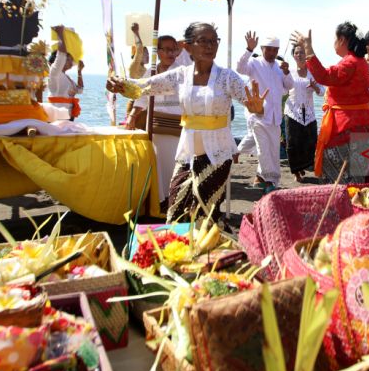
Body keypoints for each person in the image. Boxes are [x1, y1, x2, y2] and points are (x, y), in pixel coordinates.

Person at [106, 22, 268, 223]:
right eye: (203, 41)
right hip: (187, 154)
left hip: (217, 155)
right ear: (189, 47)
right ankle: (180, 250)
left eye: (213, 41)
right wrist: (120, 85)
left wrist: (257, 107)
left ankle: (204, 250)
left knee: (205, 215)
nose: (209, 46)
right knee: (175, 211)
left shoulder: (228, 78)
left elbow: (254, 105)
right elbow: (144, 86)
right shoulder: (180, 76)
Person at [290, 21, 369, 184]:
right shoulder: (358, 62)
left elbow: (324, 76)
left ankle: (342, 208)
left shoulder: (350, 62)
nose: (334, 43)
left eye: (335, 39)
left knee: (341, 180)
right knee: (355, 179)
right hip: (359, 125)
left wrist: (309, 49)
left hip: (346, 127)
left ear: (343, 40)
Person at [125, 35, 182, 208]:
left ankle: (176, 201)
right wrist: (132, 117)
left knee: (176, 166)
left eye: (174, 49)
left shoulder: (181, 72)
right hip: (155, 126)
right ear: (159, 51)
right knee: (157, 165)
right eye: (167, 49)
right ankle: (159, 203)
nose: (171, 53)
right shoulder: (151, 72)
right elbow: (142, 98)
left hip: (177, 128)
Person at [236, 32, 294, 194]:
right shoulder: (254, 63)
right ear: (262, 49)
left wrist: (287, 72)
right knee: (262, 149)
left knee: (273, 149)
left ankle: (261, 177)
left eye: (275, 50)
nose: (272, 53)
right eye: (269, 49)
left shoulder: (279, 66)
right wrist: (248, 49)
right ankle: (270, 180)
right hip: (258, 114)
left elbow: (289, 86)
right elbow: (239, 67)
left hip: (275, 116)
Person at [284, 44, 322, 182]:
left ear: (306, 56)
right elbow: (283, 89)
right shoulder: (289, 72)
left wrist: (315, 87)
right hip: (292, 111)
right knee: (293, 143)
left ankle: (303, 166)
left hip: (309, 112)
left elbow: (322, 91)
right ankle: (296, 173)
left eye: (302, 53)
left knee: (310, 142)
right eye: (297, 52)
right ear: (293, 55)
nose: (300, 55)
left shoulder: (313, 72)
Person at [48, 25, 84, 120]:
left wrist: (79, 72)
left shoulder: (67, 78)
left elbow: (80, 90)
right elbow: (61, 55)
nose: (71, 61)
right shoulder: (55, 73)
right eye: (68, 59)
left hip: (68, 117)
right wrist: (60, 34)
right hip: (57, 117)